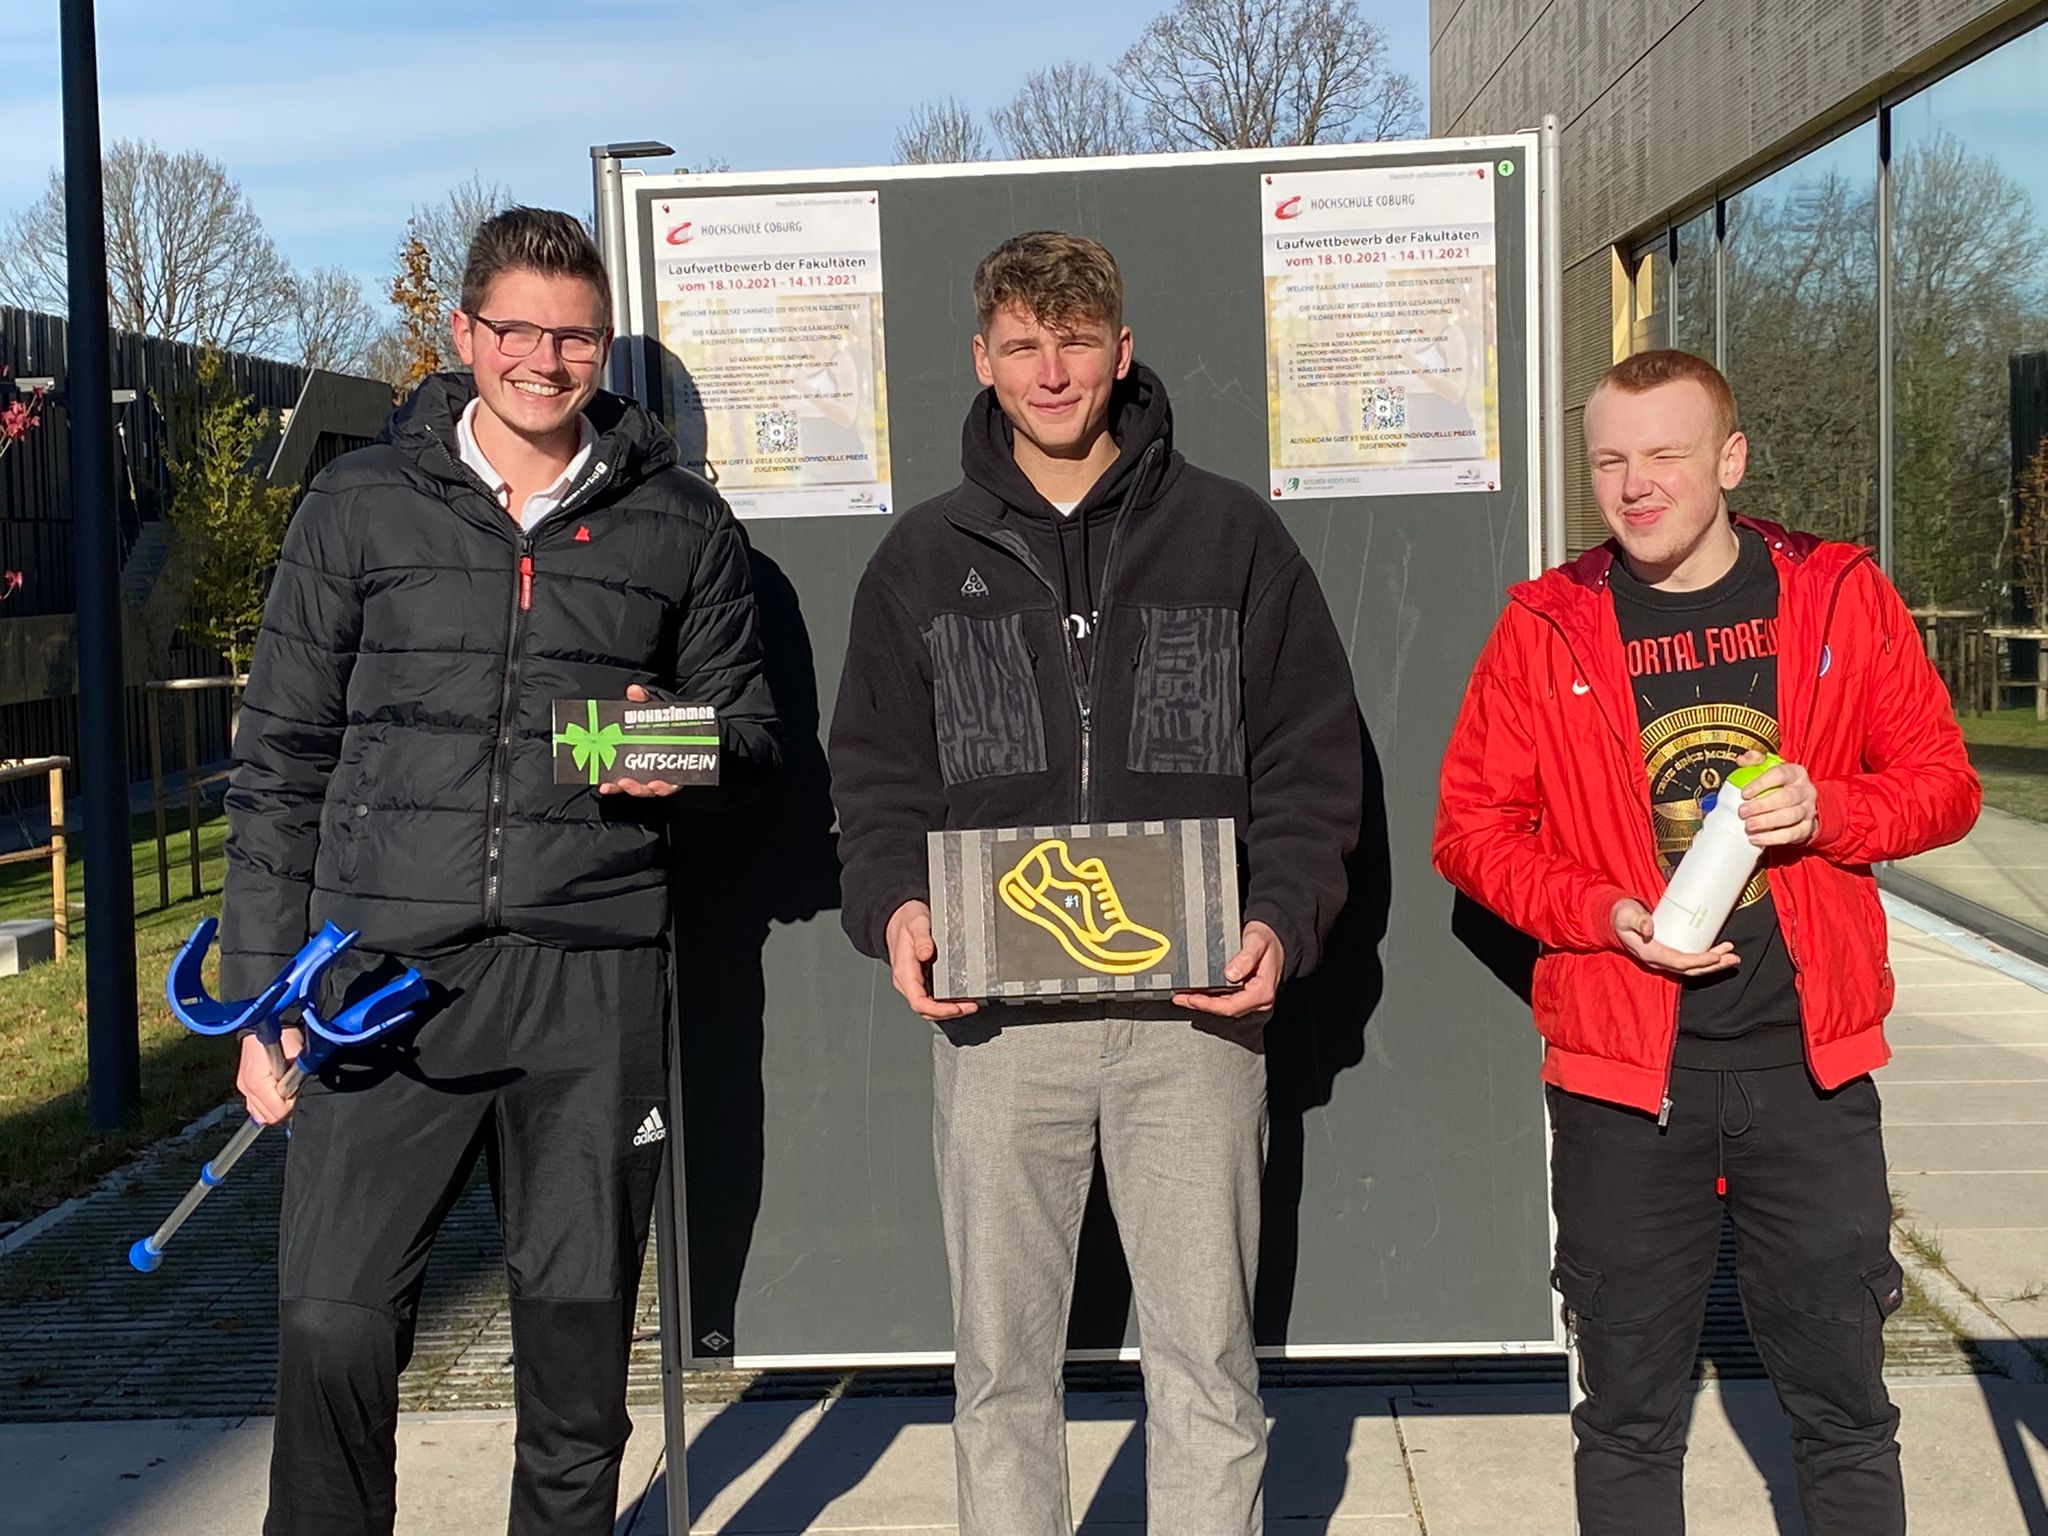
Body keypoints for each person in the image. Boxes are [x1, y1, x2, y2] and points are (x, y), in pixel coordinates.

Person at [220, 206, 779, 1536]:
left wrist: (676, 753)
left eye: (574, 335)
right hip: (377, 978)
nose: (544, 357)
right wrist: (261, 999)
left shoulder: (681, 524)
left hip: (588, 982)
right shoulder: (356, 507)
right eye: (517, 329)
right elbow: (280, 757)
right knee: (332, 1334)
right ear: (465, 333)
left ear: (604, 352)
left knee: (578, 1370)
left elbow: (746, 730)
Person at [828, 230, 1362, 1536]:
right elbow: (877, 778)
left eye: (1075, 342)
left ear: (1121, 355)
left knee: (1206, 1372)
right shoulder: (919, 561)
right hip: (998, 1029)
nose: (1051, 370)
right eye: (1023, 344)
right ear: (984, 360)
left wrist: (1282, 922)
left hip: (1193, 1025)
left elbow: (1309, 759)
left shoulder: (1231, 538)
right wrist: (895, 907)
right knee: (1003, 1374)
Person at [1433, 349, 1979, 1534]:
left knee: (1842, 1407)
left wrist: (1834, 810)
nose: (1634, 487)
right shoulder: (1545, 624)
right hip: (1625, 1078)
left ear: (1727, 460)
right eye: (1609, 461)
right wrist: (1601, 915)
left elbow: (1941, 785)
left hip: (1808, 1064)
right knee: (1625, 1414)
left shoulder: (1835, 595)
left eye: (1664, 456)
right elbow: (1470, 834)